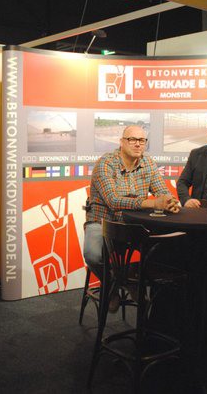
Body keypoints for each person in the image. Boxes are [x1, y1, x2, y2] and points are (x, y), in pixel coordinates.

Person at [83, 125, 179, 311]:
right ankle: (113, 284)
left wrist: (169, 201)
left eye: (141, 140)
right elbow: (113, 201)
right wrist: (152, 203)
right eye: (132, 139)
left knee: (166, 248)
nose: (137, 144)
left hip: (133, 224)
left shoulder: (148, 162)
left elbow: (162, 190)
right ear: (121, 142)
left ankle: (128, 279)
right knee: (92, 254)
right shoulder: (106, 163)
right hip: (103, 221)